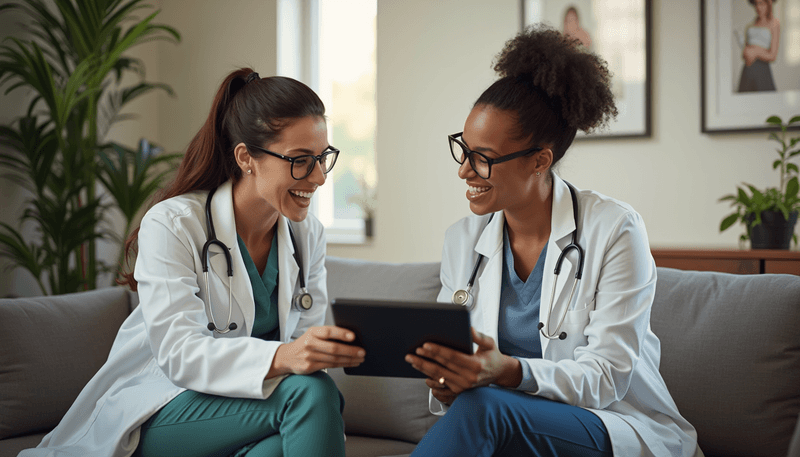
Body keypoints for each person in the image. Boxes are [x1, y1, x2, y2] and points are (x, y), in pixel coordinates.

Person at [20, 68, 365, 457]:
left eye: (323, 158)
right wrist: (284, 356)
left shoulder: (308, 236)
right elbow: (180, 354)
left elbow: (306, 340)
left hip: (247, 409)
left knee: (277, 448)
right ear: (246, 158)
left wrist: (325, 348)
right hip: (163, 407)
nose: (319, 177)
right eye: (301, 160)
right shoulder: (173, 224)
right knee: (312, 392)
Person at [405, 26, 703, 457]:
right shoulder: (463, 240)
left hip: (609, 423)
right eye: (463, 149)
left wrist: (507, 372)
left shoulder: (615, 230)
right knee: (478, 405)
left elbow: (606, 377)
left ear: (540, 161)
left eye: (483, 159)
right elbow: (462, 368)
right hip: (509, 421)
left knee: (485, 407)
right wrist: (450, 378)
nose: (464, 172)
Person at [738, 0, 780, 92]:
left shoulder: (774, 24)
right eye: (756, 4)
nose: (758, 7)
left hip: (762, 70)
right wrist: (746, 53)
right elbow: (745, 50)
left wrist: (756, 52)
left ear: (768, 3)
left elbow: (773, 55)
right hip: (747, 70)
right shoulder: (750, 25)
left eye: (761, 3)